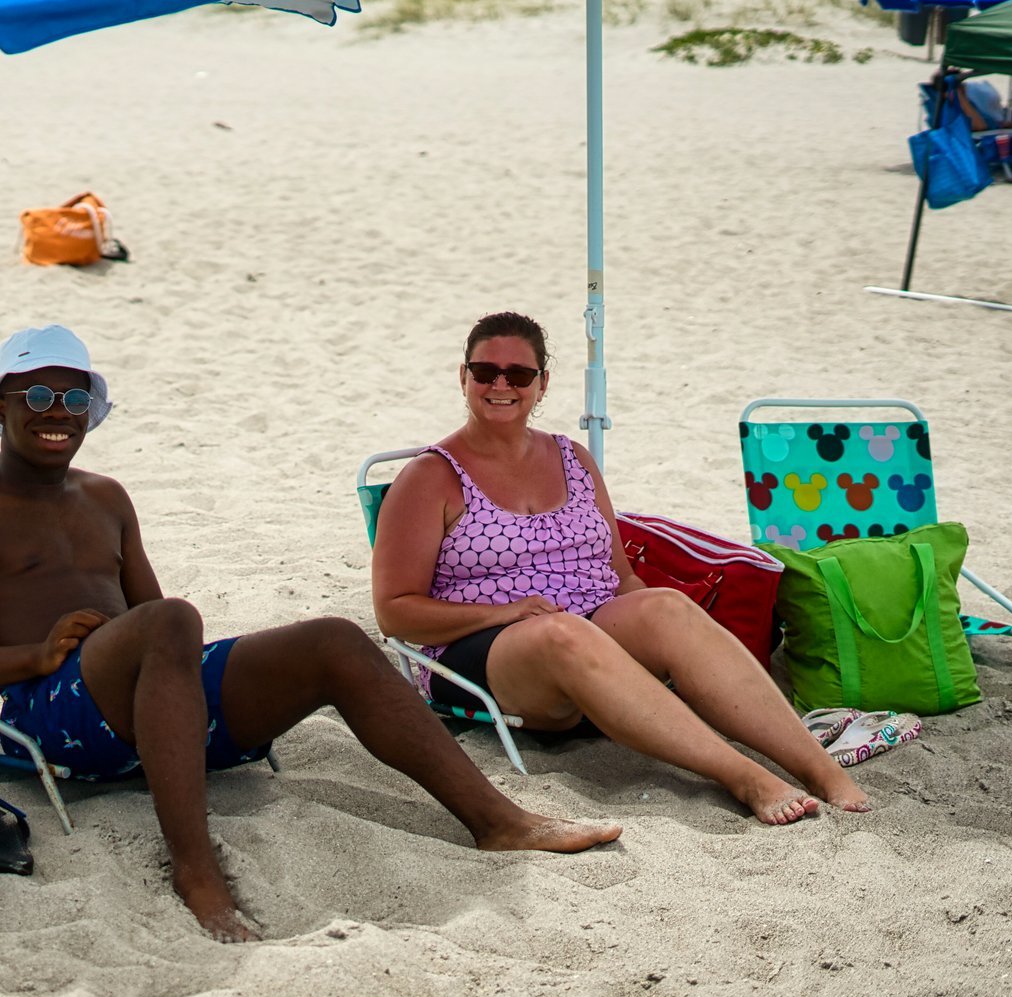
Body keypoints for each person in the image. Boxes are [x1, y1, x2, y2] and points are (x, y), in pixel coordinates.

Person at [0, 324, 620, 942]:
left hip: (151, 709)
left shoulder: (106, 497)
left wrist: (163, 654)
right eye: (34, 395)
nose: (56, 412)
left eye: (74, 397)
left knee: (334, 640)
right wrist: (34, 653)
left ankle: (497, 820)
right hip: (53, 719)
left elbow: (160, 629)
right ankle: (196, 871)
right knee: (174, 619)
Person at [370, 312, 872, 827]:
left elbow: (620, 575)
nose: (501, 385)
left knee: (667, 607)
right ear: (463, 377)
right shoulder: (430, 478)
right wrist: (505, 611)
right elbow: (395, 614)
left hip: (589, 628)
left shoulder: (573, 459)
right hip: (483, 652)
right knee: (562, 633)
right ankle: (743, 775)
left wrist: (650, 623)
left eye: (519, 374)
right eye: (485, 372)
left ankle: (820, 770)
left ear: (542, 384)